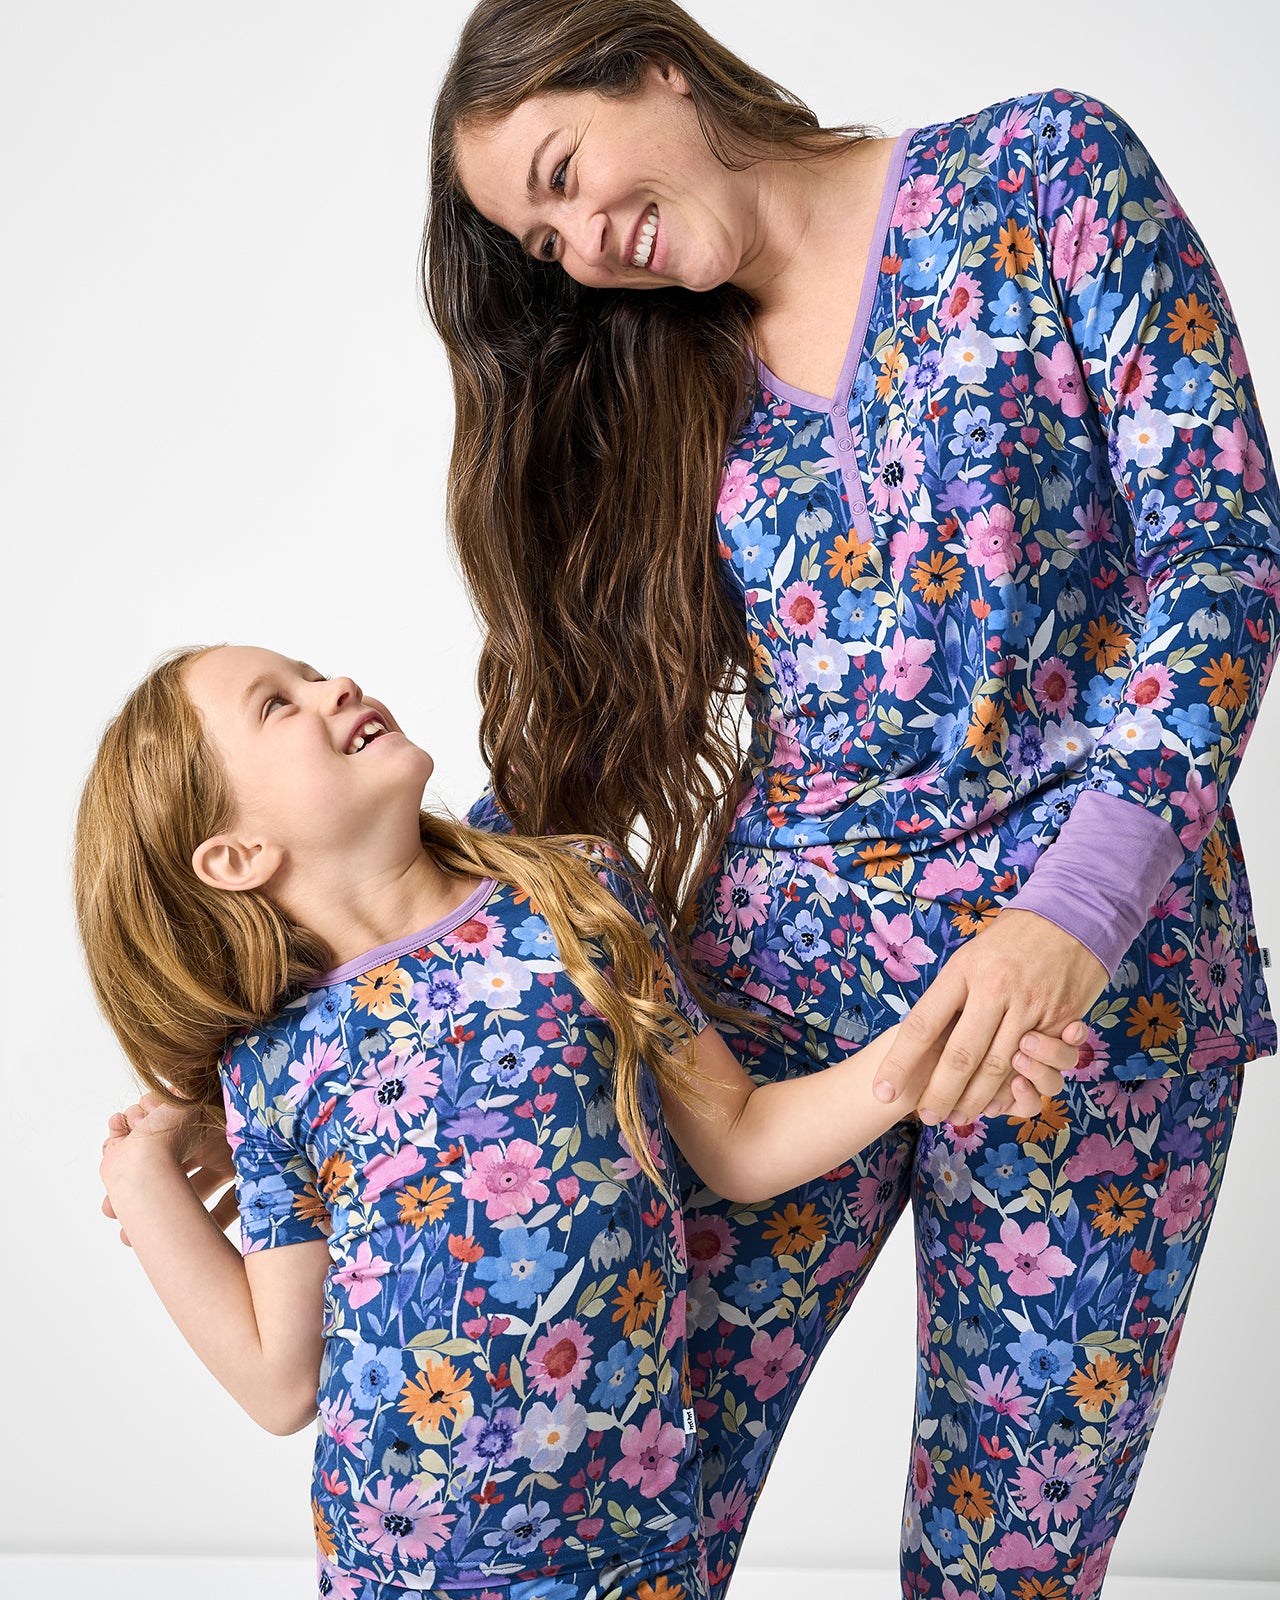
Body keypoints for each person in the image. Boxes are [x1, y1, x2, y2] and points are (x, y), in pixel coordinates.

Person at [423, 1, 1280, 1591]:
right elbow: (596, 739)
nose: (582, 249)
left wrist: (1070, 916)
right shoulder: (664, 375)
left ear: (651, 62)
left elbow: (1219, 555)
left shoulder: (1042, 173)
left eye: (563, 172)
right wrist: (341, 982)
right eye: (542, 244)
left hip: (1102, 1006)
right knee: (608, 1500)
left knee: (1005, 1559)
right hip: (777, 998)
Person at [80, 643, 1079, 1600]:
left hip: (630, 1547)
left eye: (308, 671)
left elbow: (735, 1138)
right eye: (276, 703)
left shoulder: (571, 895)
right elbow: (278, 1378)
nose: (332, 683)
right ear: (239, 854)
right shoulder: (273, 1064)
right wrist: (142, 1175)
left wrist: (910, 1070)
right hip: (402, 1565)